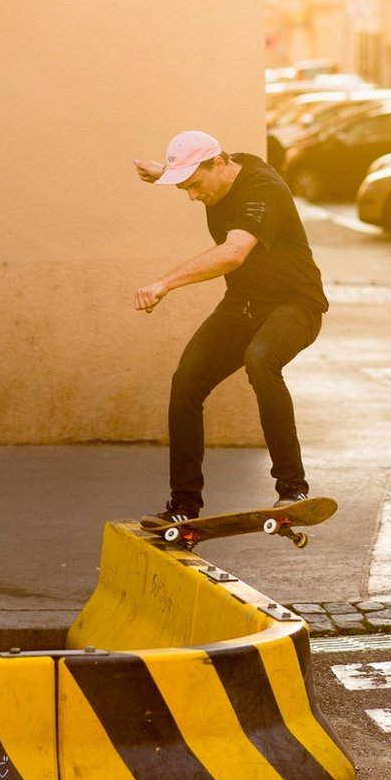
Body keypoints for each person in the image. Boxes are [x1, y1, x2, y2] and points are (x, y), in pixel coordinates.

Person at [134, 129, 328, 523]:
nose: (192, 196)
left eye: (194, 186)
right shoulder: (221, 168)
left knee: (261, 361)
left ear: (219, 166)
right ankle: (184, 506)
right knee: (186, 382)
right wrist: (163, 174)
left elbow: (234, 253)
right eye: (184, 187)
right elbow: (200, 172)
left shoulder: (262, 190)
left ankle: (291, 489)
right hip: (243, 305)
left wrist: (165, 283)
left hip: (296, 305)